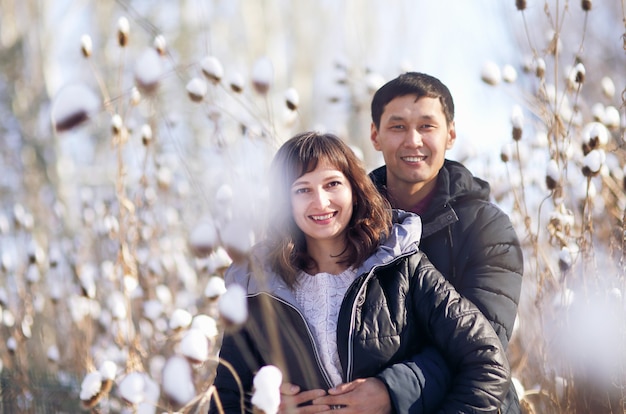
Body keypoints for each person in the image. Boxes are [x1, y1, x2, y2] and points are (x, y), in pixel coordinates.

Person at [208, 131, 510, 414]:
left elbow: (487, 362)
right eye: (302, 189)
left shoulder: (402, 266)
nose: (320, 201)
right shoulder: (258, 287)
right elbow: (226, 399)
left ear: (354, 189)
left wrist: (392, 393)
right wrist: (265, 408)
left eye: (332, 184)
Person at [367, 72, 524, 413]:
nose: (413, 140)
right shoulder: (351, 225)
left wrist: (388, 390)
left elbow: (483, 349)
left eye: (427, 126)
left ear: (450, 134)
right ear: (375, 136)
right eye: (397, 127)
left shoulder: (487, 228)